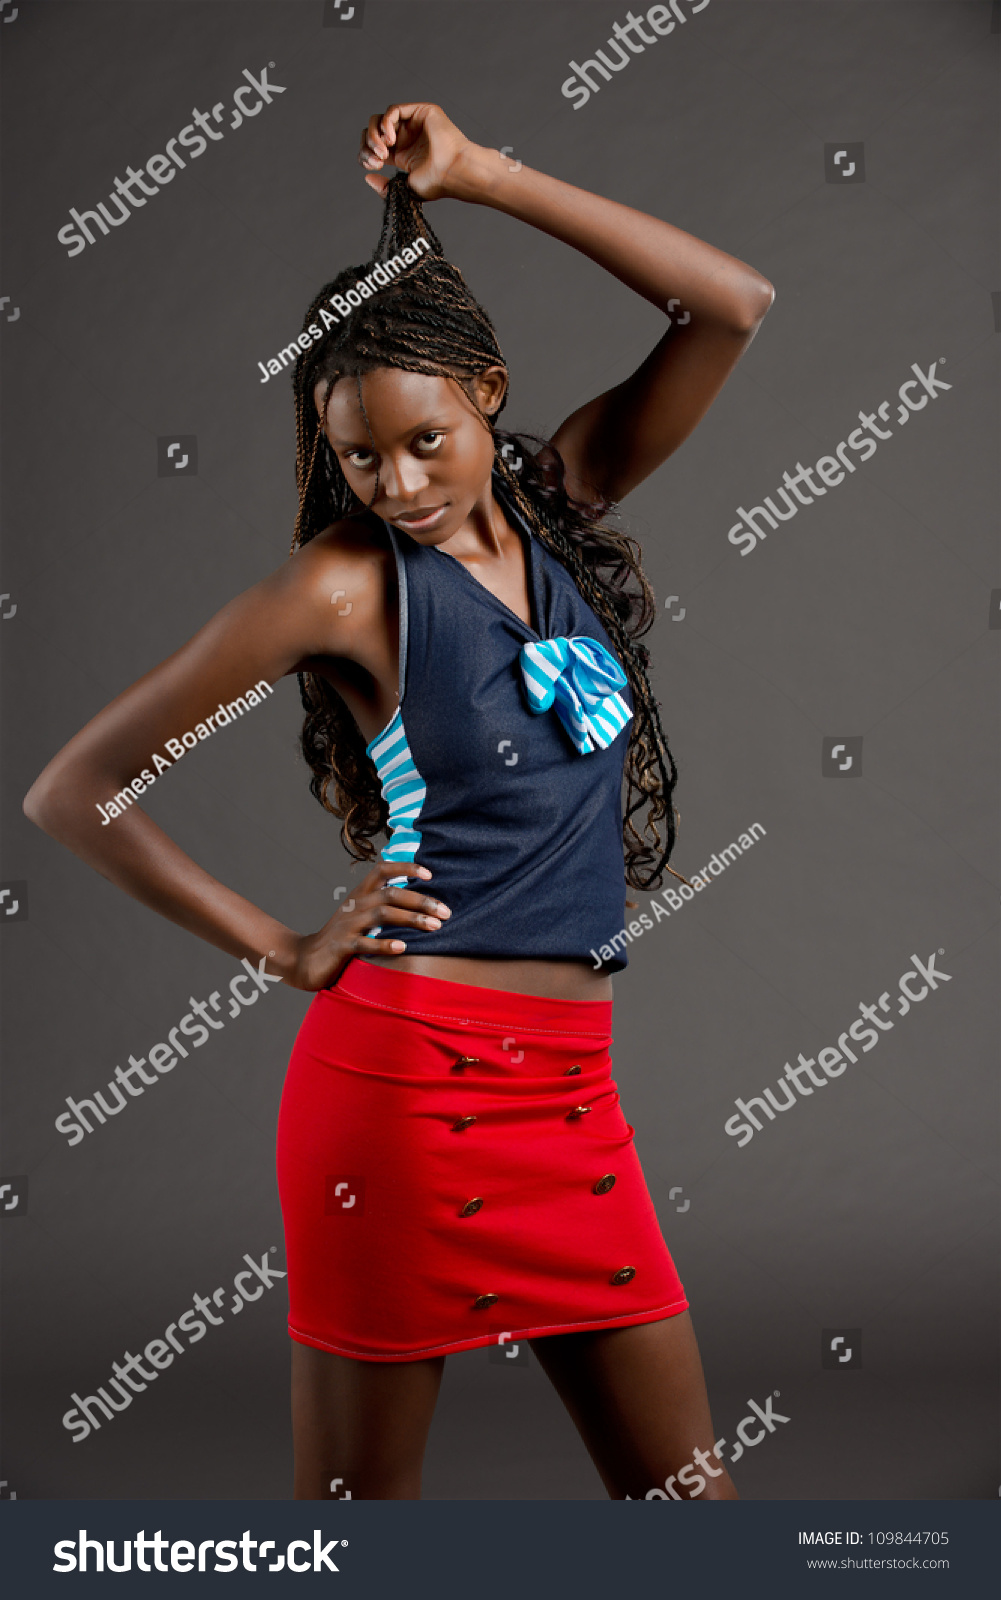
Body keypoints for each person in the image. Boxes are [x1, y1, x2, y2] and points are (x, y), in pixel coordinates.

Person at [24, 101, 774, 1502]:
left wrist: (483, 176)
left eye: (426, 441)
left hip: (569, 1098)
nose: (399, 484)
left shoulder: (563, 498)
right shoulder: (344, 585)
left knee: (696, 1518)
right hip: (404, 1097)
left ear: (486, 392)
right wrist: (282, 947)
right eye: (361, 458)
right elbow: (74, 788)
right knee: (362, 1539)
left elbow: (728, 304)